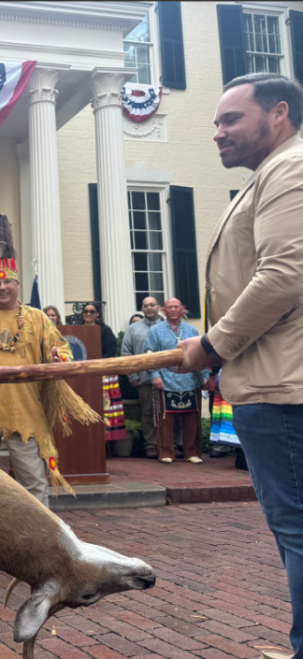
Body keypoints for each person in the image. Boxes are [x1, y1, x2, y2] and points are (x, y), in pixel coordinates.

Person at [177, 73, 303, 659]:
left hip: (282, 388)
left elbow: (282, 277)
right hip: (273, 382)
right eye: (216, 122)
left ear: (279, 113)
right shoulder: (271, 176)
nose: (218, 133)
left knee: (297, 530)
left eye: (231, 120)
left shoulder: (289, 168)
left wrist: (213, 345)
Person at [0, 212, 98, 506]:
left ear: (17, 283)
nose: (2, 288)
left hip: (26, 408)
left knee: (34, 479)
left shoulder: (37, 318)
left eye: (8, 283)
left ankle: (39, 535)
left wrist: (57, 360)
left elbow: (62, 351)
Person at [145, 298, 208, 464]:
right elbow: (149, 356)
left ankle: (191, 452)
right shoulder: (155, 331)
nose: (173, 309)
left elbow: (201, 355)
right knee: (165, 420)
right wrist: (155, 375)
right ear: (164, 310)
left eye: (176, 307)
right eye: (170, 307)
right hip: (165, 380)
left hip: (190, 380)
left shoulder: (192, 330)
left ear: (182, 309)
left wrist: (206, 377)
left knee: (192, 419)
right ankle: (166, 452)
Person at [120, 297, 163, 458]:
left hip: (170, 380)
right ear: (142, 309)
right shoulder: (133, 329)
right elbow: (126, 353)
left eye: (152, 305)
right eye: (146, 306)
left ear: (158, 307)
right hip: (144, 379)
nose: (149, 308)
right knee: (148, 413)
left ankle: (168, 444)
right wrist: (132, 376)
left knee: (170, 413)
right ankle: (151, 446)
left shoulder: (167, 327)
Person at [81, 302, 125, 444]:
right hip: (82, 375)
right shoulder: (77, 330)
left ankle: (104, 442)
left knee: (104, 408)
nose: (88, 314)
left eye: (92, 311)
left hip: (103, 375)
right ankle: (84, 440)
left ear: (98, 314)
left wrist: (95, 366)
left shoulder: (105, 330)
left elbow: (111, 353)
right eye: (86, 311)